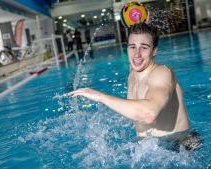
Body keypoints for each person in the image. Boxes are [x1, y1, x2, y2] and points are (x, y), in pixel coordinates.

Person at [69, 23, 202, 151]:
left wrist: (100, 96)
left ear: (154, 51)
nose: (137, 54)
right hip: (150, 148)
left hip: (180, 147)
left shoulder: (162, 73)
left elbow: (149, 114)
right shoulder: (132, 75)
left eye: (144, 47)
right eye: (132, 47)